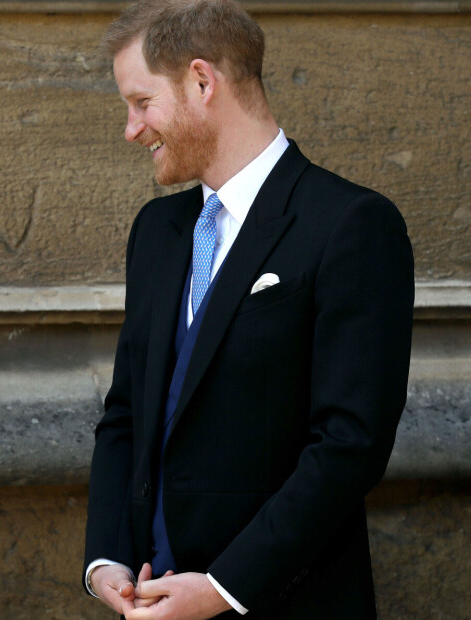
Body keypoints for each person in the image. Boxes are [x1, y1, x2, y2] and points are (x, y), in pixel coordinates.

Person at [83, 1, 414, 618]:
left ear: (202, 82)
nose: (132, 129)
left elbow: (350, 444)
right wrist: (106, 559)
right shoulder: (157, 231)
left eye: (141, 102)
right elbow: (126, 411)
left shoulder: (351, 225)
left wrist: (223, 589)